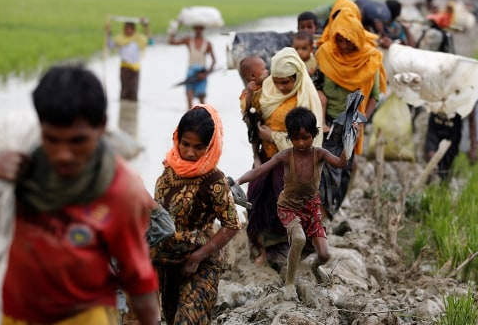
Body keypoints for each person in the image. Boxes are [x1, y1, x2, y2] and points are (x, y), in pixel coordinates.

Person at [0, 65, 160, 324]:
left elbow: (139, 280)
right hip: (11, 315)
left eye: (77, 141)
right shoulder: (14, 168)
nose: (63, 154)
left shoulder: (121, 191)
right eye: (52, 139)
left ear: (101, 127)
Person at [235, 107, 351, 301]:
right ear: (289, 137)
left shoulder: (320, 154)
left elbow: (341, 163)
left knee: (324, 255)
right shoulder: (286, 156)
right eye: (296, 138)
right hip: (288, 206)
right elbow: (258, 171)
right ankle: (289, 284)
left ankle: (315, 268)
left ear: (314, 134)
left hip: (311, 209)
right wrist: (237, 182)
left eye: (306, 137)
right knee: (298, 239)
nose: (301, 143)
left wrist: (349, 142)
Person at [150, 104, 241, 324]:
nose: (190, 152)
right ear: (177, 139)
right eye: (185, 144)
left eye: (198, 147)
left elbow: (231, 224)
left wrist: (197, 257)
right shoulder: (169, 168)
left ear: (210, 146)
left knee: (188, 319)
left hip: (198, 263)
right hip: (163, 261)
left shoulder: (214, 181)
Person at [244, 47, 323, 267]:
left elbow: (307, 138)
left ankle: (297, 247)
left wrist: (274, 135)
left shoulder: (305, 98)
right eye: (277, 81)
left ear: (297, 77)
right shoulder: (266, 89)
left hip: (291, 161)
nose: (280, 87)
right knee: (257, 201)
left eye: (286, 82)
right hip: (267, 156)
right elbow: (251, 117)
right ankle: (264, 248)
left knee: (287, 203)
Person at [315, 6, 387, 219]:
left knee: (344, 170)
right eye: (340, 39)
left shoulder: (369, 59)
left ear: (357, 38)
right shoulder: (325, 53)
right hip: (326, 122)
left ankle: (331, 212)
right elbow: (315, 85)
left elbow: (375, 95)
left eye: (348, 40)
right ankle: (321, 219)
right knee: (325, 171)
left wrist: (362, 122)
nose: (344, 45)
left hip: (351, 125)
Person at [168, 23, 216, 109]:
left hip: (202, 72)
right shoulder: (188, 40)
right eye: (196, 28)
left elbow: (214, 61)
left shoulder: (207, 44)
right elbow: (171, 42)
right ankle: (190, 118)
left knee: (202, 100)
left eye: (200, 28)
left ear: (202, 29)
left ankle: (204, 119)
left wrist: (205, 74)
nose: (198, 30)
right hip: (191, 72)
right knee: (189, 97)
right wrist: (175, 28)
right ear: (194, 29)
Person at [106, 19, 152, 102]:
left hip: (135, 69)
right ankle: (123, 108)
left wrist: (146, 27)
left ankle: (132, 110)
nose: (128, 30)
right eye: (126, 28)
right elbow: (110, 45)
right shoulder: (120, 39)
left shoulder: (138, 39)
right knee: (124, 90)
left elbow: (151, 42)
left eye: (130, 29)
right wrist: (108, 33)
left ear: (134, 30)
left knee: (133, 90)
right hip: (124, 68)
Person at [292, 31, 328, 133]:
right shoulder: (293, 61)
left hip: (314, 88)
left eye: (304, 49)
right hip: (298, 89)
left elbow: (321, 75)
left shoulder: (315, 60)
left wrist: (314, 73)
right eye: (296, 49)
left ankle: (322, 123)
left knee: (323, 99)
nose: (300, 52)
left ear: (311, 49)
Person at [239, 56, 269, 167]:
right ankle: (256, 155)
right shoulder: (247, 92)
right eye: (263, 69)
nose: (267, 71)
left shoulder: (266, 84)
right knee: (255, 136)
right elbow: (246, 108)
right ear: (252, 76)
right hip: (254, 117)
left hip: (265, 114)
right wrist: (250, 94)